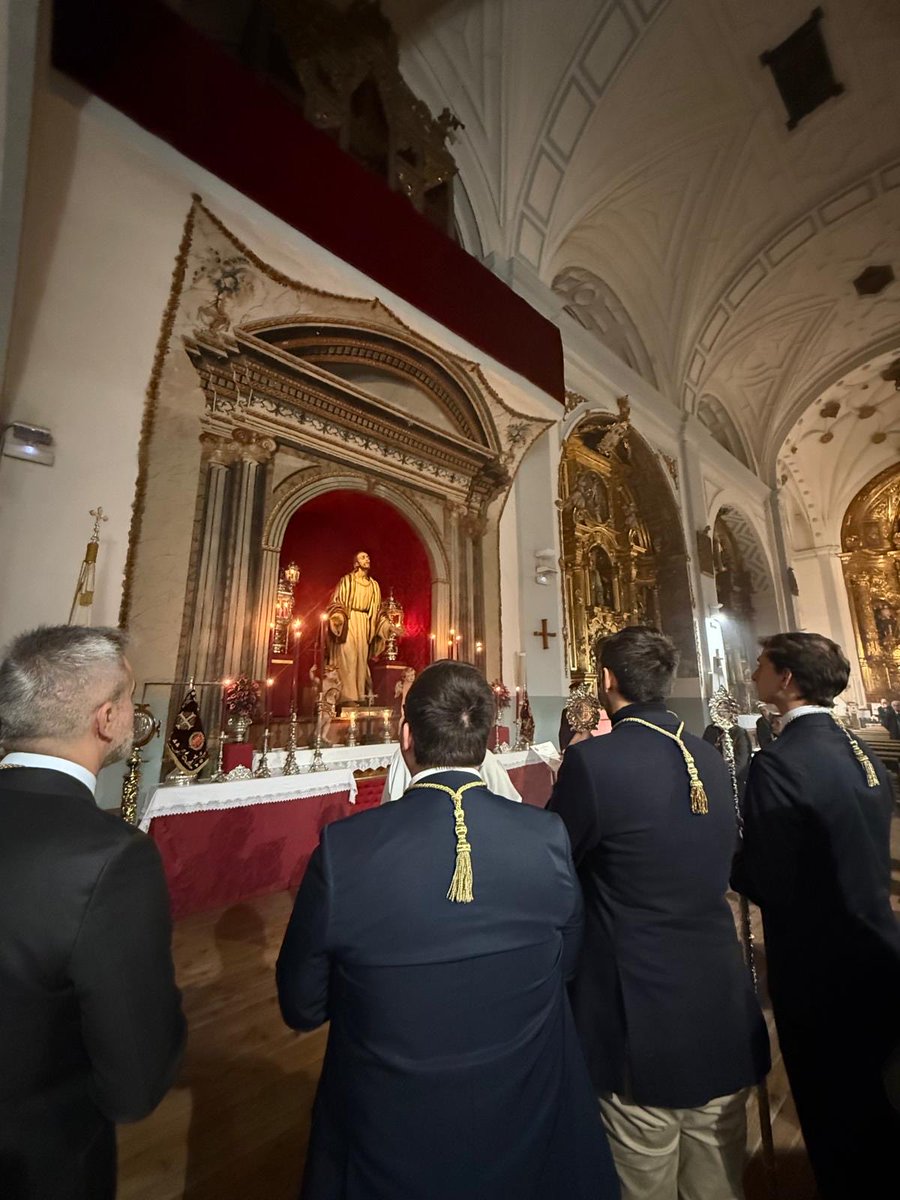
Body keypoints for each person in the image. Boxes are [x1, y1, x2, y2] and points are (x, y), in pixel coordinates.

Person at [277, 660, 619, 1200]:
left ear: (406, 736)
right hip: (528, 1119)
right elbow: (566, 964)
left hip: (389, 1134)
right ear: (484, 743)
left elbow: (301, 1004)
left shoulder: (346, 851)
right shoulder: (547, 836)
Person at [549, 626, 769, 1200]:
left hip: (639, 1016)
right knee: (718, 1182)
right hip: (719, 1004)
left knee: (641, 1179)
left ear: (606, 680)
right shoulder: (709, 754)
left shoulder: (594, 763)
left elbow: (554, 861)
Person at [0, 625, 186, 1200]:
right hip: (35, 1161)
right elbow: (135, 1082)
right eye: (128, 697)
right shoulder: (111, 858)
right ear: (106, 718)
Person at [732, 632, 900, 1198]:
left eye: (761, 664)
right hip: (875, 945)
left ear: (786, 679)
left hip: (817, 965)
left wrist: (727, 859)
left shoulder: (780, 762)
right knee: (876, 1103)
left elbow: (768, 878)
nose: (753, 672)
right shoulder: (858, 750)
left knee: (832, 1115)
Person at [326, 550, 390, 704]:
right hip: (348, 620)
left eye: (368, 557)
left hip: (365, 623)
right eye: (363, 557)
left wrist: (389, 626)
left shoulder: (374, 585)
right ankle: (347, 698)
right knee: (348, 657)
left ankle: (359, 697)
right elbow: (337, 602)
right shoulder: (347, 581)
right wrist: (337, 617)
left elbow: (378, 611)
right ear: (356, 563)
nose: (367, 559)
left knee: (360, 660)